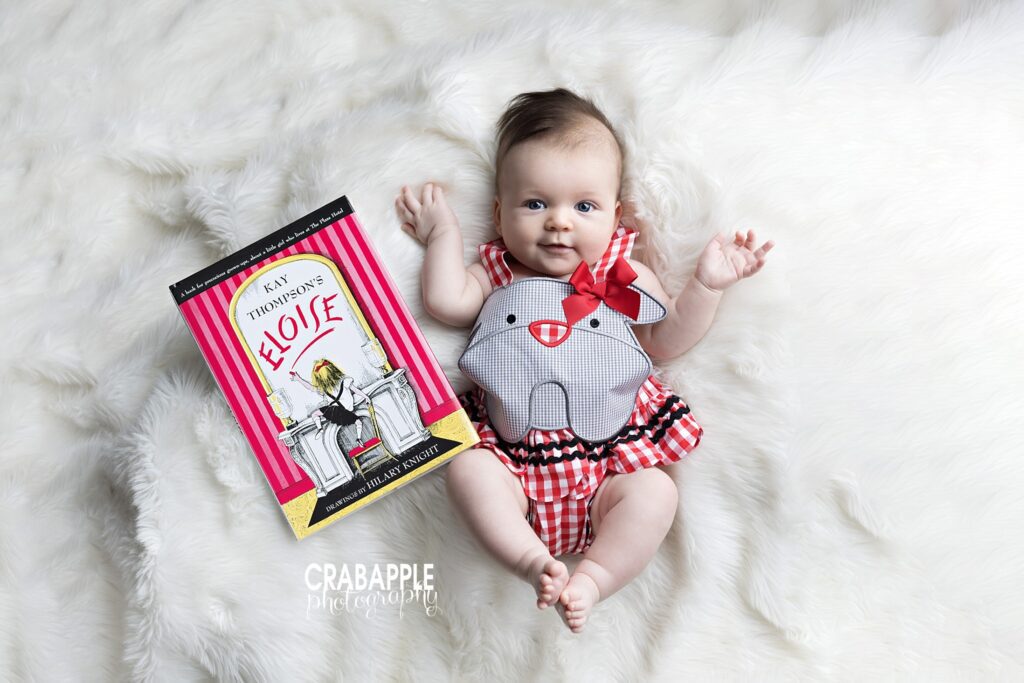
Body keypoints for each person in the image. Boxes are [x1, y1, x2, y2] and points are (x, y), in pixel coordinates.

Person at [395, 88, 773, 633]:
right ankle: (530, 559)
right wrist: (444, 235)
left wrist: (707, 286)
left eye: (584, 206)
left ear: (616, 216)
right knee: (467, 469)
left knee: (656, 492)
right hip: (511, 460)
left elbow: (664, 341)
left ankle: (594, 577)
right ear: (499, 214)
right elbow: (446, 302)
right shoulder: (499, 271)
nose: (559, 223)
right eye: (535, 203)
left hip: (608, 466)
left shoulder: (620, 276)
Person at [289, 359, 371, 446]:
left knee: (315, 414)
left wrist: (298, 379)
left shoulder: (324, 388)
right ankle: (358, 438)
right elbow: (356, 390)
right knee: (358, 422)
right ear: (333, 369)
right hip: (346, 411)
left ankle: (320, 428)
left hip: (333, 411)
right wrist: (366, 397)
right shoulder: (344, 381)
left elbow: (310, 387)